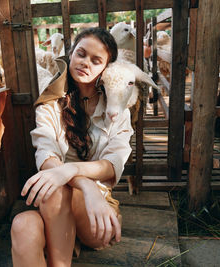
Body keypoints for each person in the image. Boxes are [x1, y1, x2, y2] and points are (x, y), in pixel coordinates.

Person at [11, 27, 134, 267]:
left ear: (105, 68)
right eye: (81, 54)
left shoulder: (117, 109)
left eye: (96, 60)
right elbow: (46, 155)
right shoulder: (50, 104)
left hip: (96, 212)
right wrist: (83, 183)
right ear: (71, 54)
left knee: (55, 184)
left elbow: (112, 165)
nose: (85, 62)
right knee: (23, 226)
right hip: (57, 208)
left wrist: (71, 172)